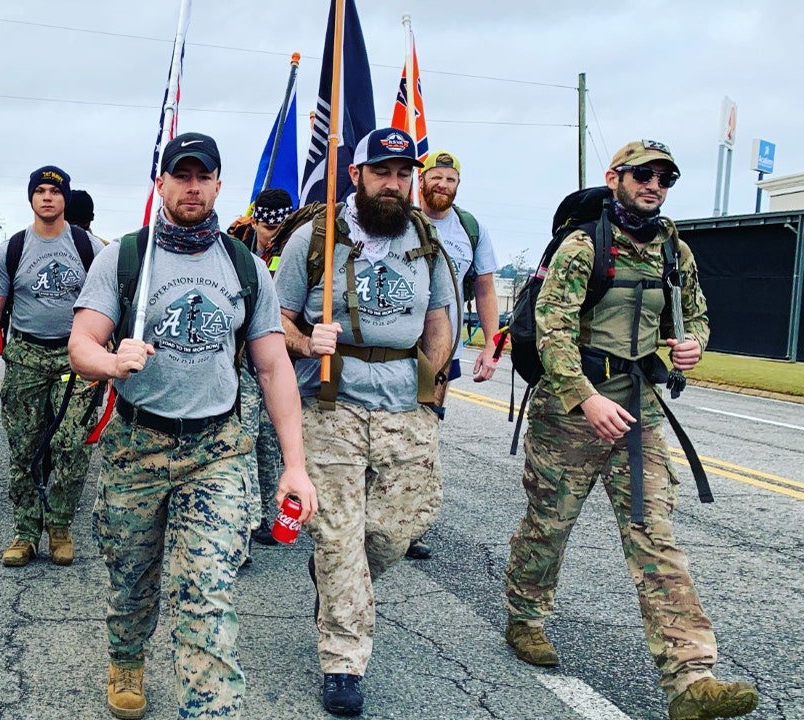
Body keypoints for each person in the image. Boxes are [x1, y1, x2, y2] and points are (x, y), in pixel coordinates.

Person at [503, 140, 759, 720]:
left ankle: (691, 679)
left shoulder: (673, 249)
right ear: (615, 177)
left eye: (665, 178)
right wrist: (585, 399)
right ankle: (525, 616)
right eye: (644, 175)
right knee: (549, 526)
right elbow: (552, 332)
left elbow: (695, 313)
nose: (655, 185)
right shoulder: (580, 247)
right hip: (571, 410)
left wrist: (695, 344)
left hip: (638, 410)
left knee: (654, 534)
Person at [69, 131, 317, 720]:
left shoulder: (244, 266)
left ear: (218, 185)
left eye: (202, 176)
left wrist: (295, 466)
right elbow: (81, 343)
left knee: (207, 594)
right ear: (160, 184)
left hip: (217, 452)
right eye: (180, 175)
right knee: (132, 578)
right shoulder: (126, 256)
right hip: (137, 446)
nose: (192, 186)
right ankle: (126, 656)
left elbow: (274, 365)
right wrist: (110, 361)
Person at [276, 127, 454, 717]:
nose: (394, 184)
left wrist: (436, 378)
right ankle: (343, 660)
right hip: (333, 402)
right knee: (338, 533)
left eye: (404, 174)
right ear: (357, 175)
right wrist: (307, 340)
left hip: (406, 403)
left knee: (396, 530)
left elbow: (438, 318)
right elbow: (275, 325)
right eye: (382, 172)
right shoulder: (315, 239)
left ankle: (332, 580)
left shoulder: (427, 239)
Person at [0, 165, 103, 567]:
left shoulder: (89, 247)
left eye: (55, 191)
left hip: (75, 358)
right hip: (26, 357)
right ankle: (26, 532)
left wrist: (107, 357)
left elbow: (109, 302)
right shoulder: (11, 249)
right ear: (31, 198)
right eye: (41, 191)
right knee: (24, 448)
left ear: (66, 198)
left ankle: (61, 526)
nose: (48, 197)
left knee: (71, 445)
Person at [405, 149, 502, 560]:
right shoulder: (402, 219)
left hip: (444, 352)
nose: (443, 185)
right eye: (436, 178)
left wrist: (492, 345)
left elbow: (484, 288)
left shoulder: (470, 228)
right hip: (396, 345)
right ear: (421, 180)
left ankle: (410, 523)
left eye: (451, 180)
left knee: (425, 432)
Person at [227, 187, 295, 546]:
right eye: (269, 227)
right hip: (242, 362)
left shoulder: (298, 249)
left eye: (281, 225)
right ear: (255, 221)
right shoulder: (237, 250)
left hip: (281, 360)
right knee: (245, 439)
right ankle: (246, 523)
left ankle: (266, 514)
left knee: (270, 443)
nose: (274, 233)